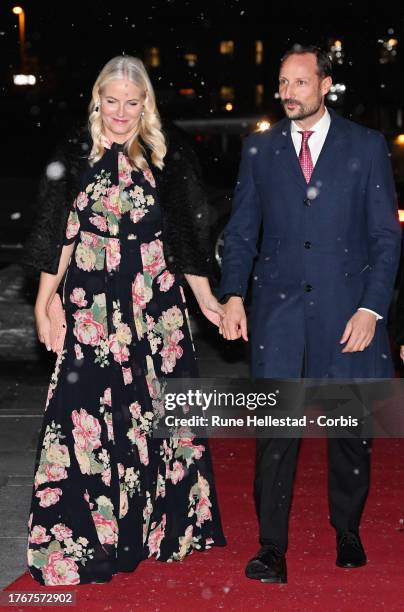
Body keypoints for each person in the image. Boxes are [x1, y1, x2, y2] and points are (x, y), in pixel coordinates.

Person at [22, 55, 226, 586]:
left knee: (155, 417)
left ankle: (158, 528)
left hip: (155, 308)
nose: (120, 112)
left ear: (145, 106)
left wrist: (208, 301)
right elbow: (56, 234)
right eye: (111, 101)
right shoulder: (74, 152)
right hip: (92, 308)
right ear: (97, 100)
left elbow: (185, 238)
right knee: (84, 417)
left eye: (131, 103)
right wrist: (47, 304)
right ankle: (91, 538)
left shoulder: (167, 155)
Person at [218, 44, 401, 583]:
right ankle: (271, 548)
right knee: (276, 433)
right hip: (278, 314)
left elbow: (385, 237)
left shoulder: (365, 147)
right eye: (282, 82)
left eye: (300, 82)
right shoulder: (260, 150)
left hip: (347, 313)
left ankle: (347, 529)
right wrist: (233, 295)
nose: (288, 93)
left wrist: (372, 308)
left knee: (348, 431)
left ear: (325, 85)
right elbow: (242, 230)